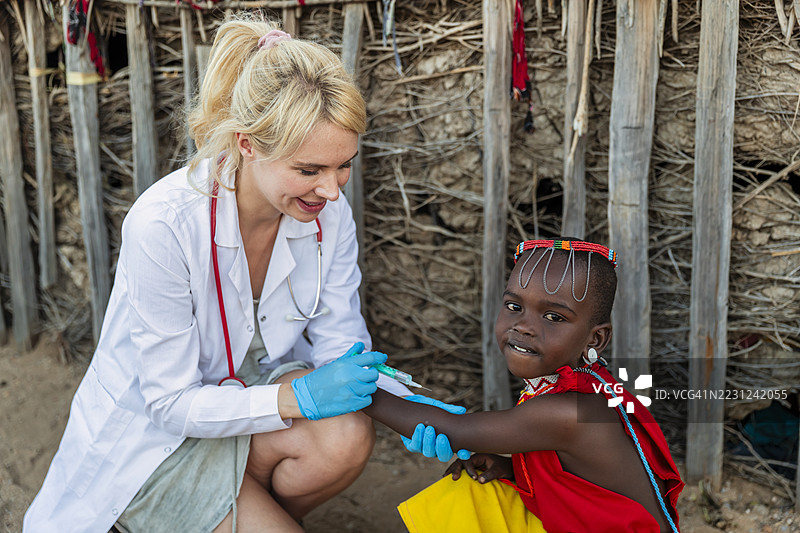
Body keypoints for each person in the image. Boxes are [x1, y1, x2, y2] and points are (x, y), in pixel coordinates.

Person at [23, 13, 459, 533]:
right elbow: (168, 404)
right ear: (247, 144)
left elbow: (340, 341)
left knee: (346, 435)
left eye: (344, 164)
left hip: (253, 407)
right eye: (309, 170)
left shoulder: (326, 213)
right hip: (158, 443)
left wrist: (406, 406)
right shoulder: (163, 224)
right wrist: (301, 397)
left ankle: (242, 512)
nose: (333, 191)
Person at [364, 239, 685, 533]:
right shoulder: (583, 385)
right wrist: (513, 469)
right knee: (471, 494)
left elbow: (454, 429)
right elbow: (589, 482)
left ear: (595, 338)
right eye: (515, 307)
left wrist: (361, 391)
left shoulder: (567, 411)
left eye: (554, 317)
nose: (523, 326)